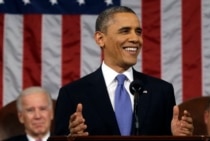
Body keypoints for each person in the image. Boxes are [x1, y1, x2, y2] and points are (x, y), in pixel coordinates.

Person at [54, 6, 193, 136]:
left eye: (138, 32)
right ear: (100, 39)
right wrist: (71, 138)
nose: (135, 39)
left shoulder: (161, 92)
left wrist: (177, 137)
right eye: (125, 31)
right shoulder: (72, 94)